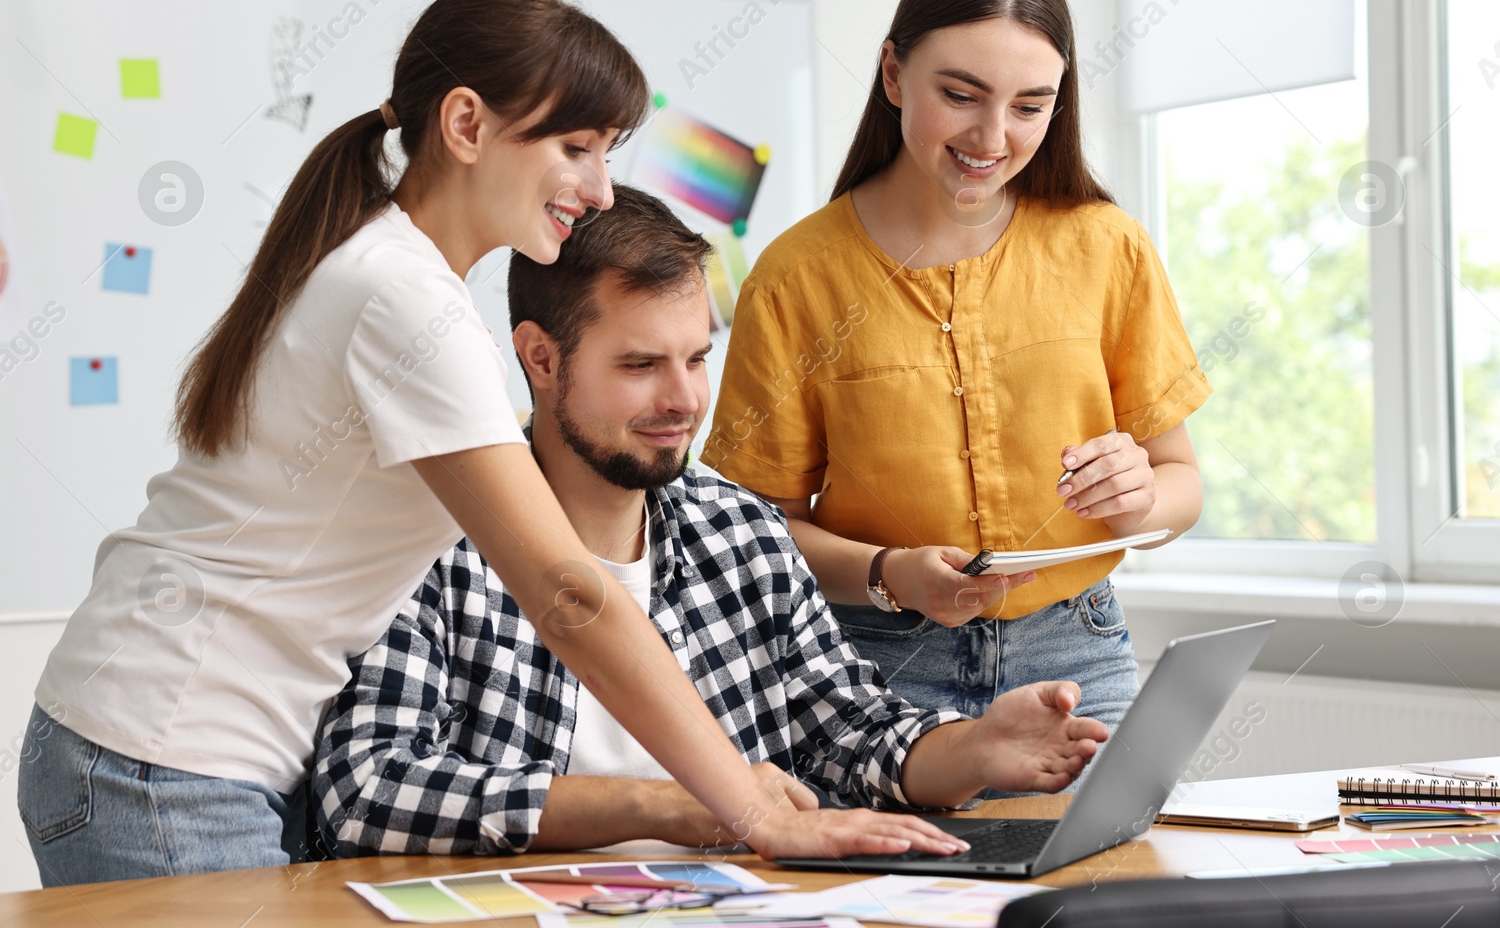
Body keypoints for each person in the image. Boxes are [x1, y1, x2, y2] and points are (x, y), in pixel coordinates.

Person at [16, 0, 961, 887]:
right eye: (578, 149)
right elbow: (567, 594)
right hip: (159, 752)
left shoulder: (383, 267)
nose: (597, 190)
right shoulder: (400, 296)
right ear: (466, 126)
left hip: (152, 746)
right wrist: (753, 813)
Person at [312, 185, 1108, 855]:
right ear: (541, 358)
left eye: (695, 358)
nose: (685, 399)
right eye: (640, 364)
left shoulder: (742, 533)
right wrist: (676, 803)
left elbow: (847, 735)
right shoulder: (431, 541)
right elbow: (366, 790)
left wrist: (975, 749)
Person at [701, 0, 1209, 764]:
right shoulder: (797, 277)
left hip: (1077, 657)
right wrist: (889, 571)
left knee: (1094, 889)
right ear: (894, 75)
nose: (992, 136)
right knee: (888, 895)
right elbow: (758, 532)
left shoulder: (1106, 246)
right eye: (961, 95)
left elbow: (1180, 482)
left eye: (1030, 106)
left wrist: (1137, 500)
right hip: (870, 668)